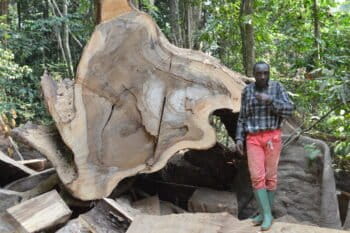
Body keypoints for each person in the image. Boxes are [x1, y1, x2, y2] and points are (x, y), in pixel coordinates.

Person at [235, 61, 294, 231]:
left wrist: (270, 101)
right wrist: (239, 137)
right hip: (253, 138)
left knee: (271, 176)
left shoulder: (277, 88)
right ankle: (267, 215)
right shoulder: (247, 91)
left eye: (265, 73)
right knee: (256, 176)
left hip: (272, 137)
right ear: (253, 74)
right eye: (259, 73)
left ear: (269, 73)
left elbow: (290, 109)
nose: (262, 76)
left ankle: (263, 213)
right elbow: (242, 117)